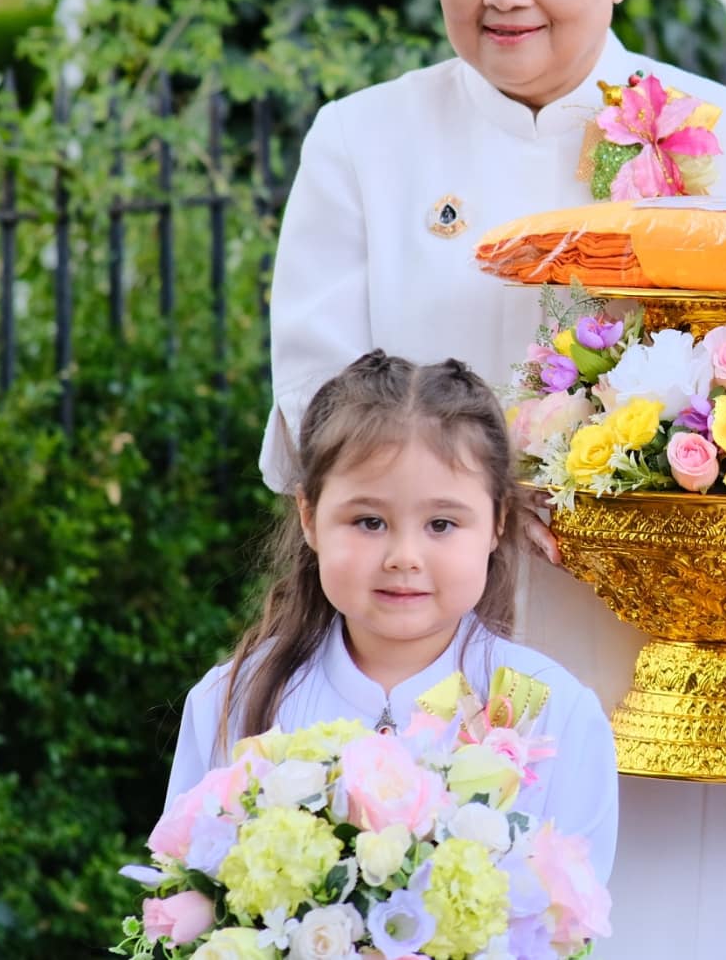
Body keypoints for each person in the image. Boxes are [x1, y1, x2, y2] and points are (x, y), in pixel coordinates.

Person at [260, 0, 726, 959]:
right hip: (426, 643)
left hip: (662, 656)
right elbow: (312, 407)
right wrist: (484, 490)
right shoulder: (362, 142)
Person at [167, 353, 620, 873]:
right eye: (369, 522)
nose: (404, 557)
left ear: (498, 520)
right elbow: (185, 894)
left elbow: (569, 912)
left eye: (441, 525)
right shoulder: (232, 702)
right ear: (310, 517)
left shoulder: (556, 716)